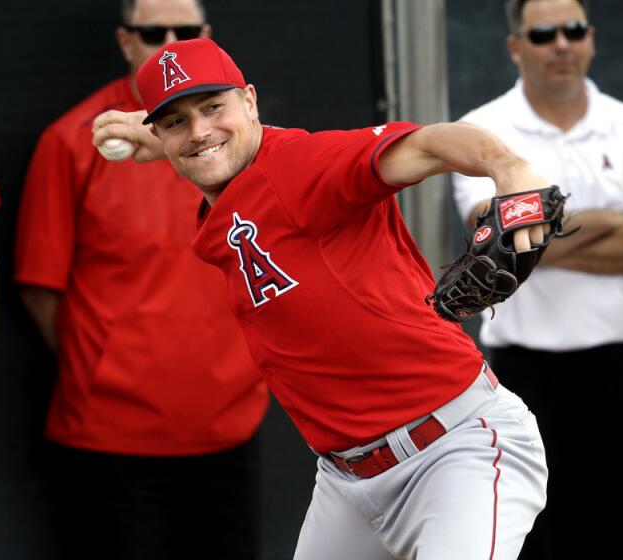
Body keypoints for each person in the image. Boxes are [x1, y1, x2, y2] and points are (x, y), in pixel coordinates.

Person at [92, 37, 554, 560]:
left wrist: (509, 167)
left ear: (250, 101)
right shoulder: (228, 183)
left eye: (213, 106)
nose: (199, 129)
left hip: (452, 452)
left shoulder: (304, 166)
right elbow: (209, 147)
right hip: (347, 483)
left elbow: (429, 144)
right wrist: (177, 136)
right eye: (176, 120)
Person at [14, 1, 268, 558]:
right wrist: (107, 362)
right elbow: (40, 286)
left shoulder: (244, 142)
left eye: (184, 31)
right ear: (126, 40)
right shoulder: (72, 140)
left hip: (229, 424)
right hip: (113, 436)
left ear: (206, 37)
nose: (169, 42)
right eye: (154, 31)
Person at [451, 0, 623, 557]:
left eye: (573, 30)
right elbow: (491, 236)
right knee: (537, 536)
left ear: (590, 38)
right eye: (543, 34)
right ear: (517, 46)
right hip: (528, 378)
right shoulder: (481, 130)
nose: (561, 44)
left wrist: (543, 232)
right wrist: (616, 224)